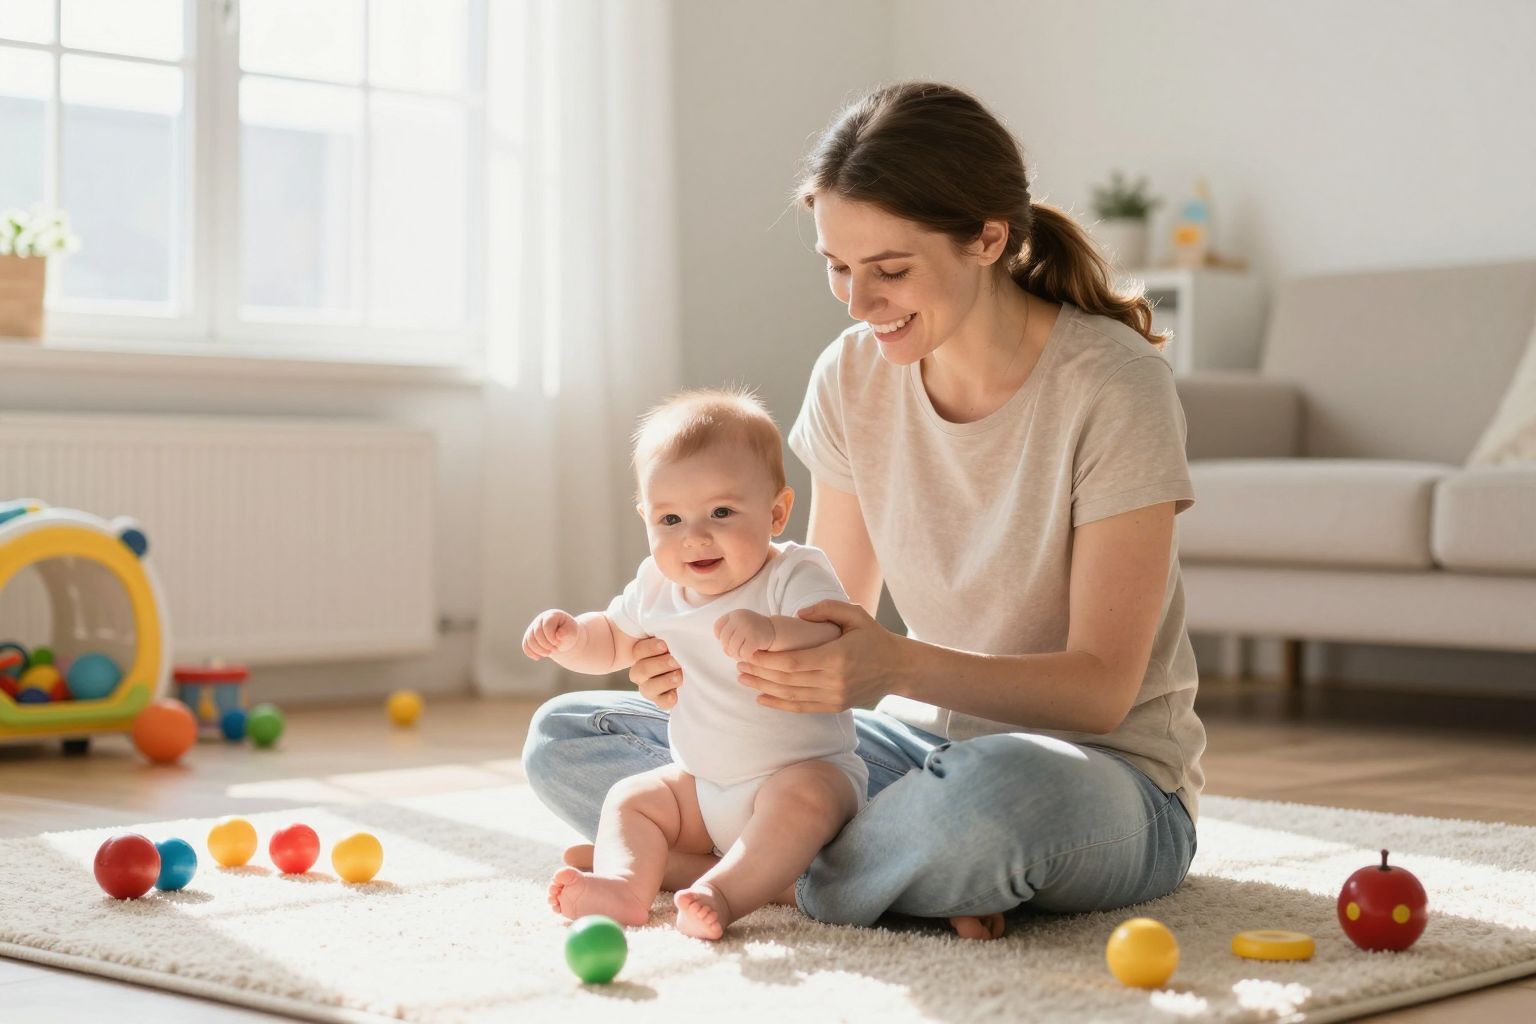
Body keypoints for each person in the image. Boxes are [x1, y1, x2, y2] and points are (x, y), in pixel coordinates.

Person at [523, 81, 1204, 942]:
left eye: (888, 271)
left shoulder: (1112, 384)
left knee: (990, 805)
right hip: (898, 752)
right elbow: (817, 616)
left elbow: (1103, 690)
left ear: (989, 237)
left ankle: (757, 874)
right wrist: (702, 666)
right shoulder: (850, 376)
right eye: (837, 268)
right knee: (568, 735)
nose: (856, 301)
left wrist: (891, 667)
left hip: (1096, 777)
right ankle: (856, 875)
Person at [523, 388, 867, 940]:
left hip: (804, 773)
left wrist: (777, 631)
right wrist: (570, 637)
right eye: (671, 519)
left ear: (777, 512)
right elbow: (611, 640)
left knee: (803, 799)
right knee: (632, 798)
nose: (695, 537)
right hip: (704, 786)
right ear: (646, 517)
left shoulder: (792, 573)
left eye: (722, 512)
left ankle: (723, 893)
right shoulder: (657, 584)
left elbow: (837, 633)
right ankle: (625, 886)